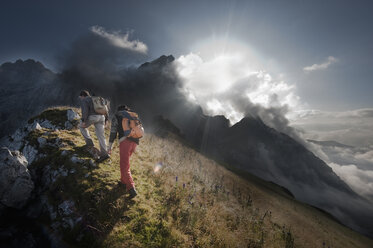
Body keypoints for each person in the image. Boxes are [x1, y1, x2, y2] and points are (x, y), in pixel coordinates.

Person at [108, 105, 139, 199]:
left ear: (119, 110)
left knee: (124, 166)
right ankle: (122, 182)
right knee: (124, 163)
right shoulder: (133, 115)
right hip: (135, 142)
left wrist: (109, 146)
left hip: (125, 141)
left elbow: (113, 132)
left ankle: (131, 188)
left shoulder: (117, 115)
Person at [78, 90, 110, 162]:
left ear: (83, 96)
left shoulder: (85, 100)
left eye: (80, 97)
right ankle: (104, 154)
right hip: (102, 117)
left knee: (81, 126)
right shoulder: (98, 99)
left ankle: (89, 143)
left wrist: (83, 121)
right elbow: (106, 109)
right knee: (101, 136)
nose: (81, 99)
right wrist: (106, 120)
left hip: (92, 117)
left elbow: (85, 111)